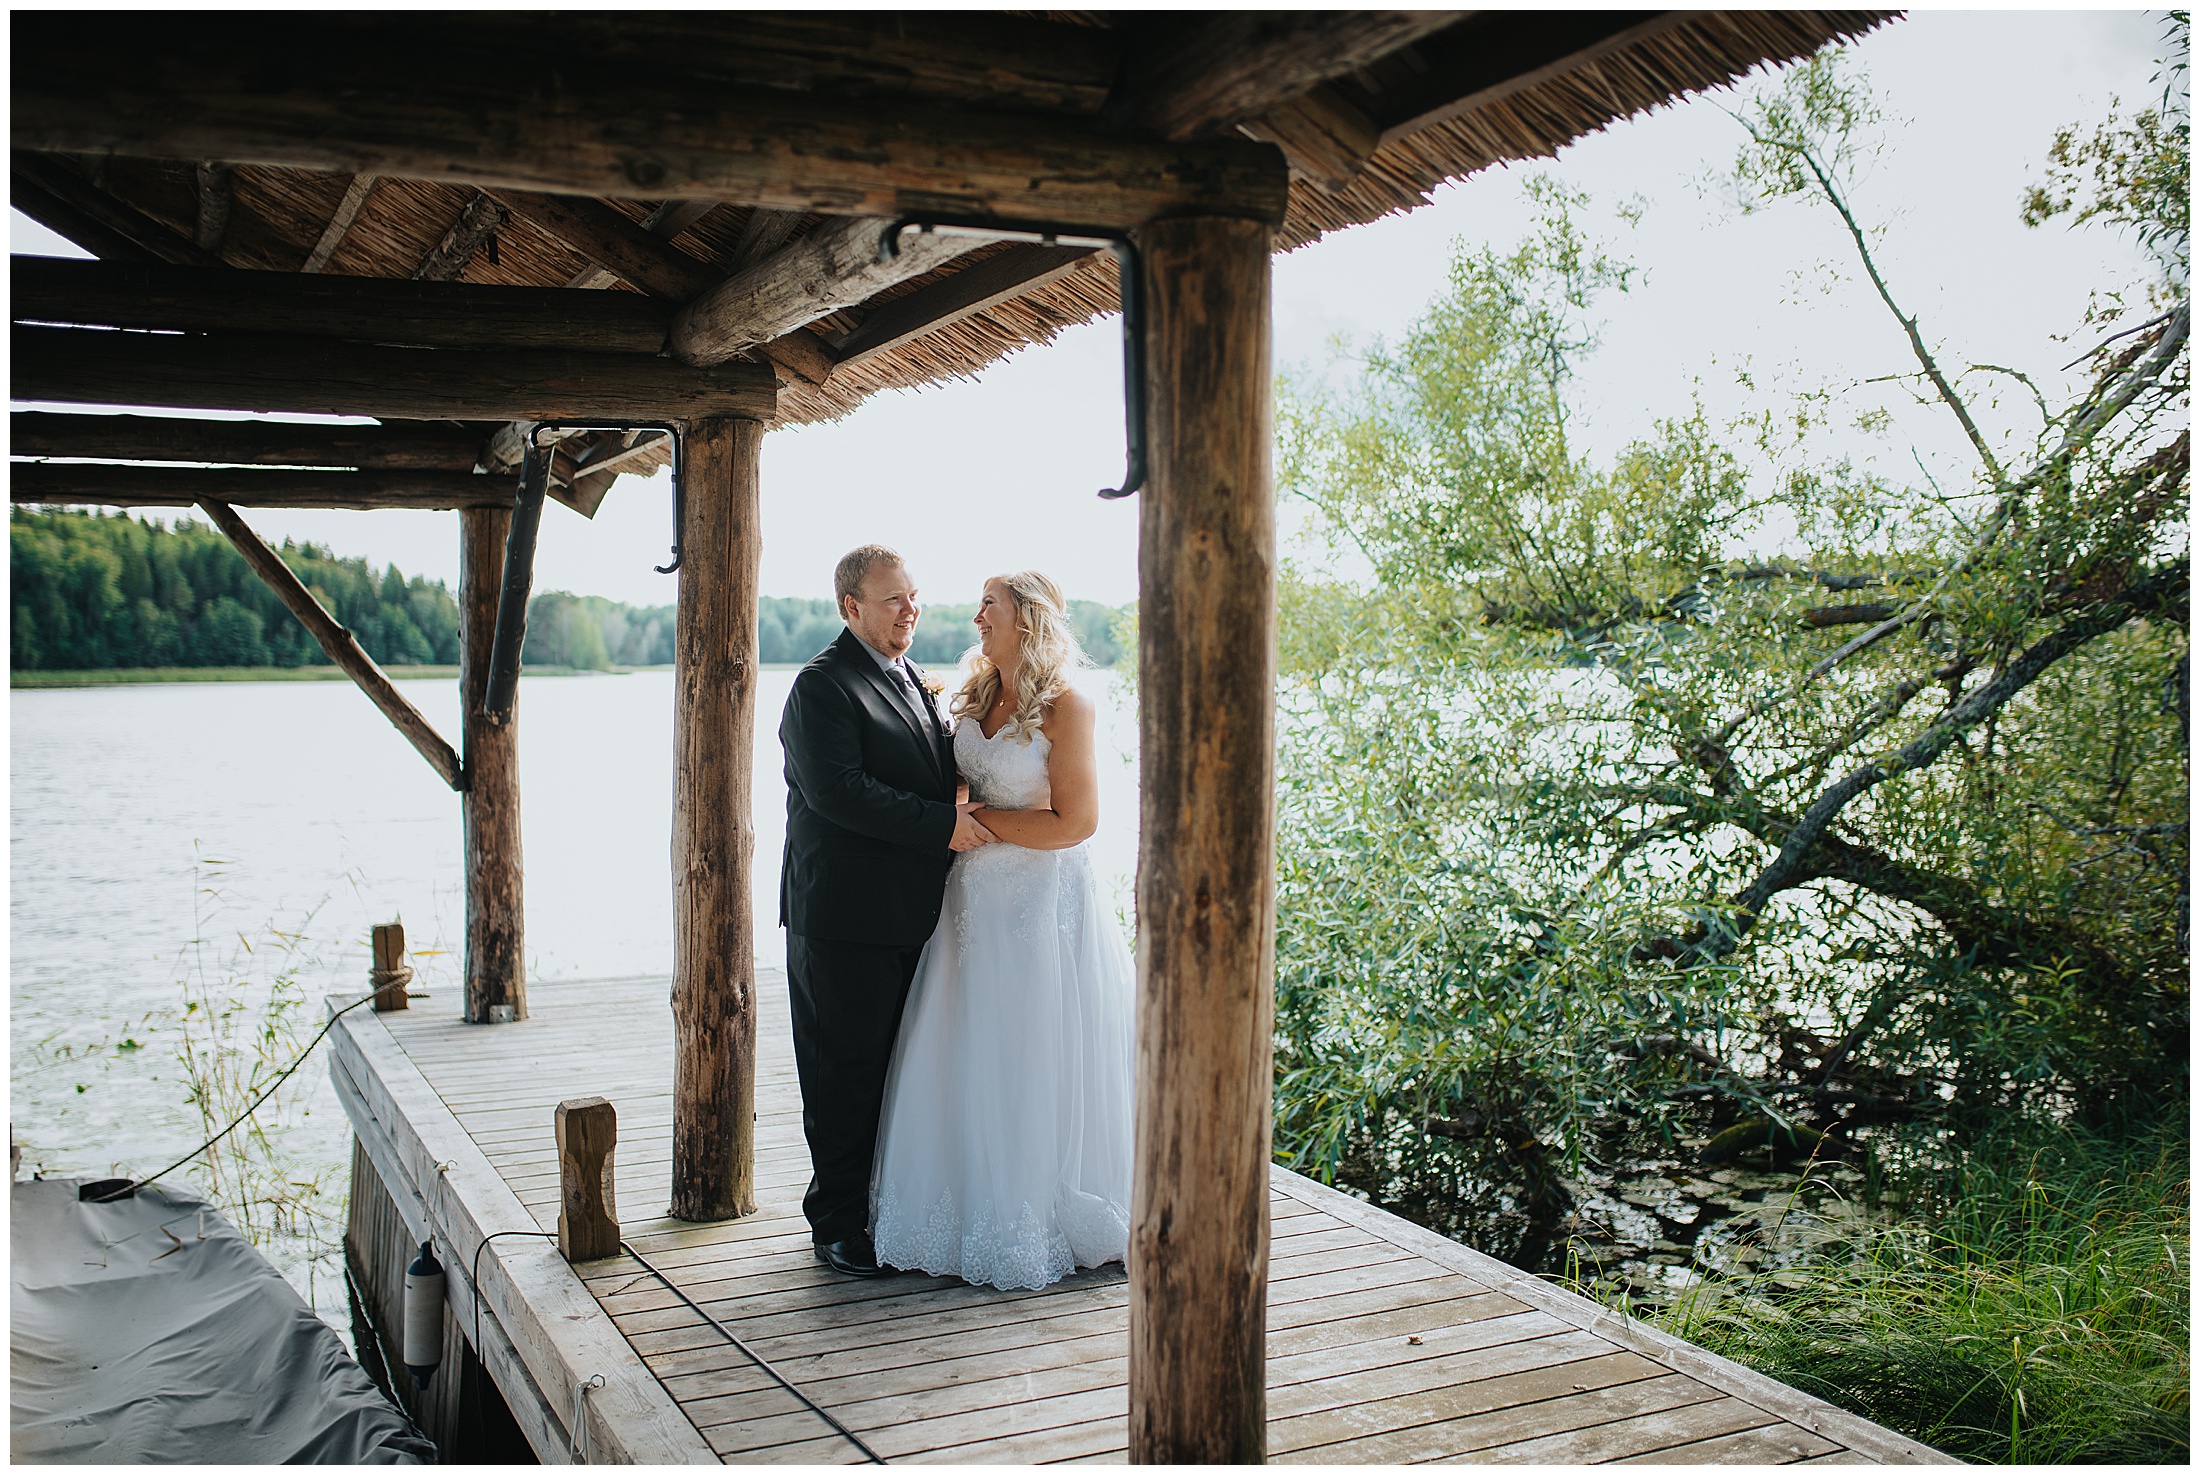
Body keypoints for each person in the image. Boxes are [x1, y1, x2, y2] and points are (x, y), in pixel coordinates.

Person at [869, 570, 1136, 1291]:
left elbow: (1076, 822)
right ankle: (966, 1206)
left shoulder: (1067, 705)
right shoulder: (979, 692)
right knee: (966, 1045)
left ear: (1027, 618)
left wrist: (973, 823)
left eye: (991, 603)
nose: (976, 614)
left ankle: (1034, 1211)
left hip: (1040, 904)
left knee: (1030, 1051)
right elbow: (957, 780)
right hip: (969, 901)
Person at [778, 545, 997, 1278]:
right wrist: (942, 825)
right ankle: (837, 1224)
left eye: (913, 596)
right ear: (851, 608)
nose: (910, 609)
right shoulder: (821, 688)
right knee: (843, 1073)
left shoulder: (907, 675)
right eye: (892, 599)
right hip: (841, 920)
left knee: (899, 1070)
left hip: (907, 915)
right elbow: (839, 791)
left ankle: (884, 1209)